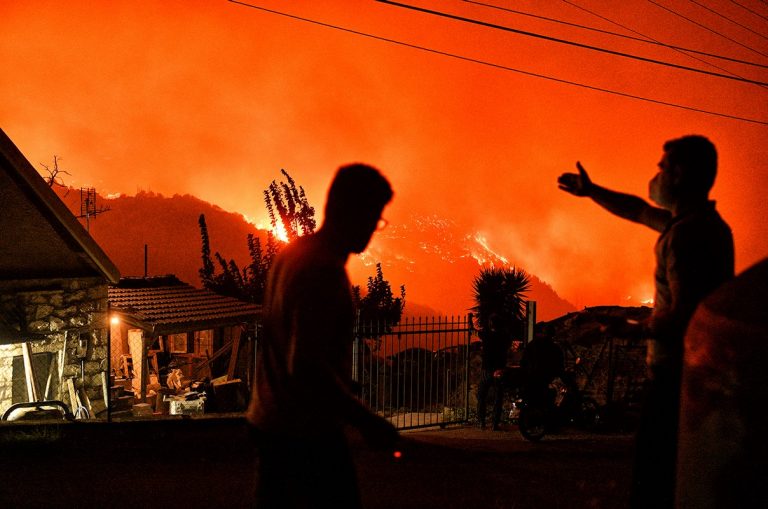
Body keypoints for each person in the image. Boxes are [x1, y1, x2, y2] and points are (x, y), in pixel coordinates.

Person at [557, 135, 734, 509]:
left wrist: (629, 327)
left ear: (681, 174)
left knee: (655, 480)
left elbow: (685, 312)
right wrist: (592, 191)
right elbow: (637, 210)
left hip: (673, 376)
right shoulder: (695, 224)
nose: (656, 172)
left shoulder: (688, 235)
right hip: (688, 373)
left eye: (663, 165)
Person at [246, 163, 400, 509]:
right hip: (304, 433)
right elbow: (305, 366)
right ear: (350, 211)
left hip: (270, 421)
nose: (374, 229)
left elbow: (288, 345)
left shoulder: (292, 254)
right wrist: (366, 420)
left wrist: (341, 384)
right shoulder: (323, 272)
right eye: (373, 217)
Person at [476, 312, 512, 430]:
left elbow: (473, 330)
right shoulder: (505, 337)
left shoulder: (486, 335)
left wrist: (470, 320)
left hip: (486, 369)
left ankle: (481, 422)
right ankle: (495, 423)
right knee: (498, 396)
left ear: (490, 324)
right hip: (499, 370)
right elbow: (509, 345)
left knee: (481, 396)